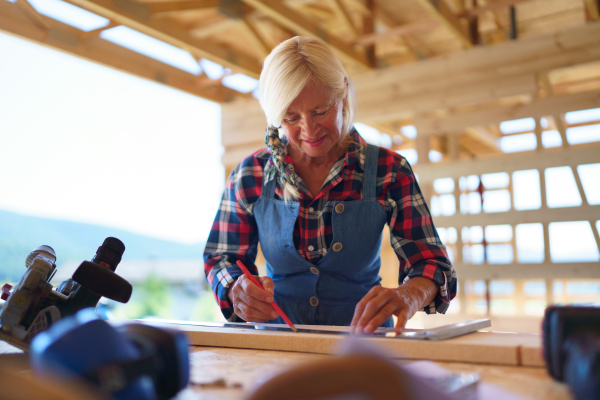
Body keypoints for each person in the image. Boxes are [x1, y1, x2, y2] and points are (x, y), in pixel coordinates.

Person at [203, 36, 456, 334]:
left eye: (321, 110)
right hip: (278, 343)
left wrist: (408, 295)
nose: (309, 130)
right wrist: (234, 288)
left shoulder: (389, 171)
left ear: (343, 94)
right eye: (291, 117)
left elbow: (432, 264)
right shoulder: (250, 175)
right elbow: (222, 257)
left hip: (364, 346)